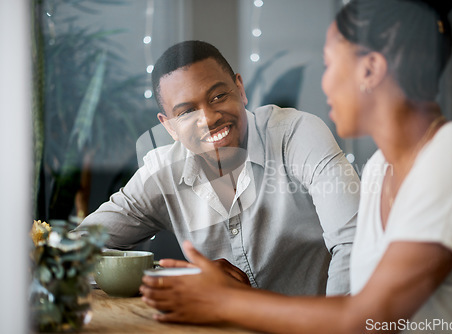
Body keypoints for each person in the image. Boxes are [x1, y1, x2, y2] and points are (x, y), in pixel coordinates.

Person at [140, 0, 452, 332]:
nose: (324, 82)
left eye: (328, 64)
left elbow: (371, 319)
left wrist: (223, 299)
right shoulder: (378, 170)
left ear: (370, 69)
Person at [79, 40, 360, 296]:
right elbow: (74, 251)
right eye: (187, 112)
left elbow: (354, 245)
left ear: (240, 89)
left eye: (217, 97)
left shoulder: (296, 135)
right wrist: (182, 276)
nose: (210, 118)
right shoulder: (163, 172)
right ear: (169, 126)